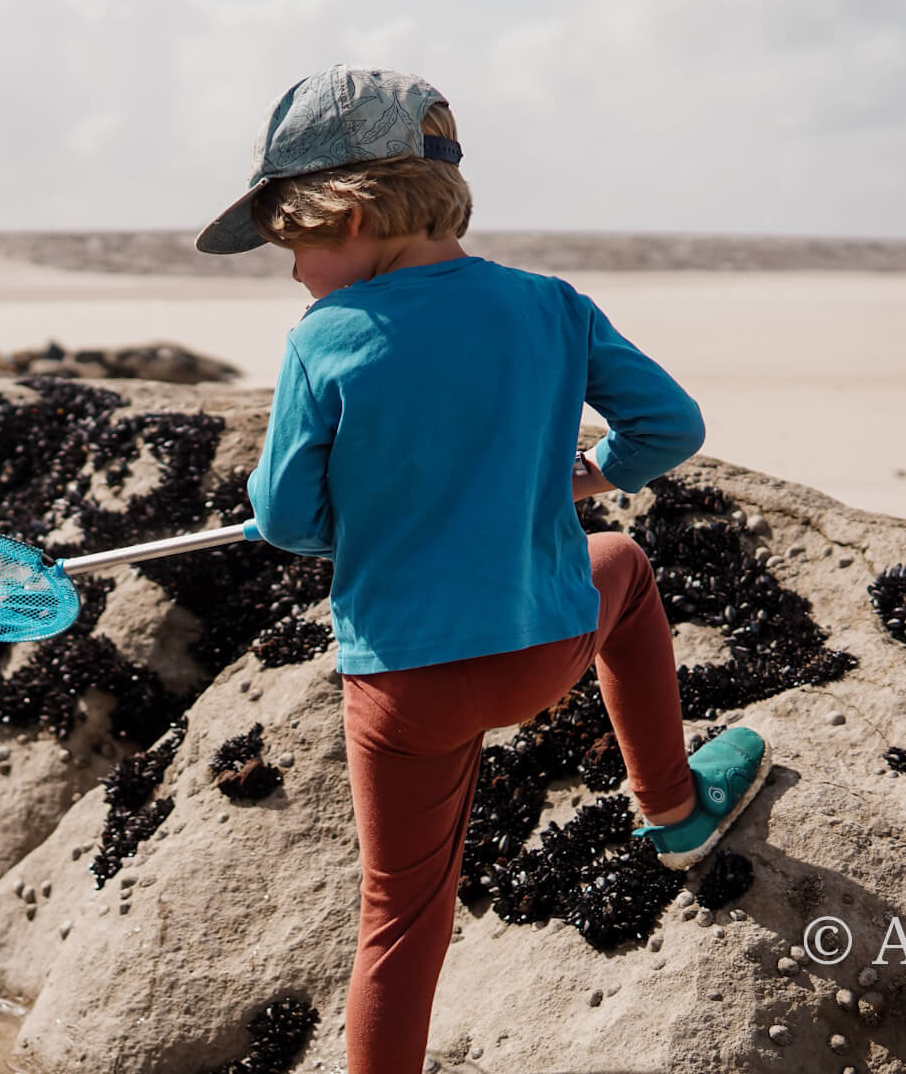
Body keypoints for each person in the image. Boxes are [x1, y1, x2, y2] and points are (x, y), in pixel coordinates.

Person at [195, 65, 770, 1073]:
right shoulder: (551, 304)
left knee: (399, 918)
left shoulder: (324, 339)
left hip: (409, 686)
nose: (291, 272)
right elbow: (670, 426)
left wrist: (353, 512)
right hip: (546, 648)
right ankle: (674, 809)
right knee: (623, 563)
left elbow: (287, 520)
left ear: (358, 213)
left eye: (295, 243)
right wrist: (584, 475)